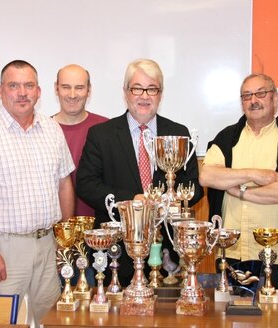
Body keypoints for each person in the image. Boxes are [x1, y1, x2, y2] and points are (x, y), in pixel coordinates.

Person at [0, 60, 75, 327]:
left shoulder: (52, 129)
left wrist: (63, 241)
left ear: (39, 91)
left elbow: (64, 184)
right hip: (5, 249)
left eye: (29, 85)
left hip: (48, 245)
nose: (22, 92)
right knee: (2, 322)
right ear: (0, 91)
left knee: (53, 321)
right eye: (14, 85)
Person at [76, 58, 203, 287]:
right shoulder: (101, 135)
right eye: (137, 88)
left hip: (167, 257)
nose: (144, 96)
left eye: (152, 89)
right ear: (126, 92)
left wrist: (169, 201)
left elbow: (194, 187)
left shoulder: (178, 133)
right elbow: (86, 185)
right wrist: (132, 201)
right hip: (116, 255)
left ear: (160, 94)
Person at [199, 73, 278, 289]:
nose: (253, 100)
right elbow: (207, 176)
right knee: (229, 320)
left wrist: (240, 190)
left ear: (274, 98)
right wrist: (255, 175)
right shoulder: (227, 137)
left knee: (276, 321)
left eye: (260, 93)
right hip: (230, 253)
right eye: (247, 96)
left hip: (276, 257)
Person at [52, 64, 108, 217]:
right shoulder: (42, 130)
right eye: (65, 87)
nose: (72, 94)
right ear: (56, 89)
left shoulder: (107, 130)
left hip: (99, 232)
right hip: (53, 232)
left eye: (79, 87)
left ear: (89, 90)